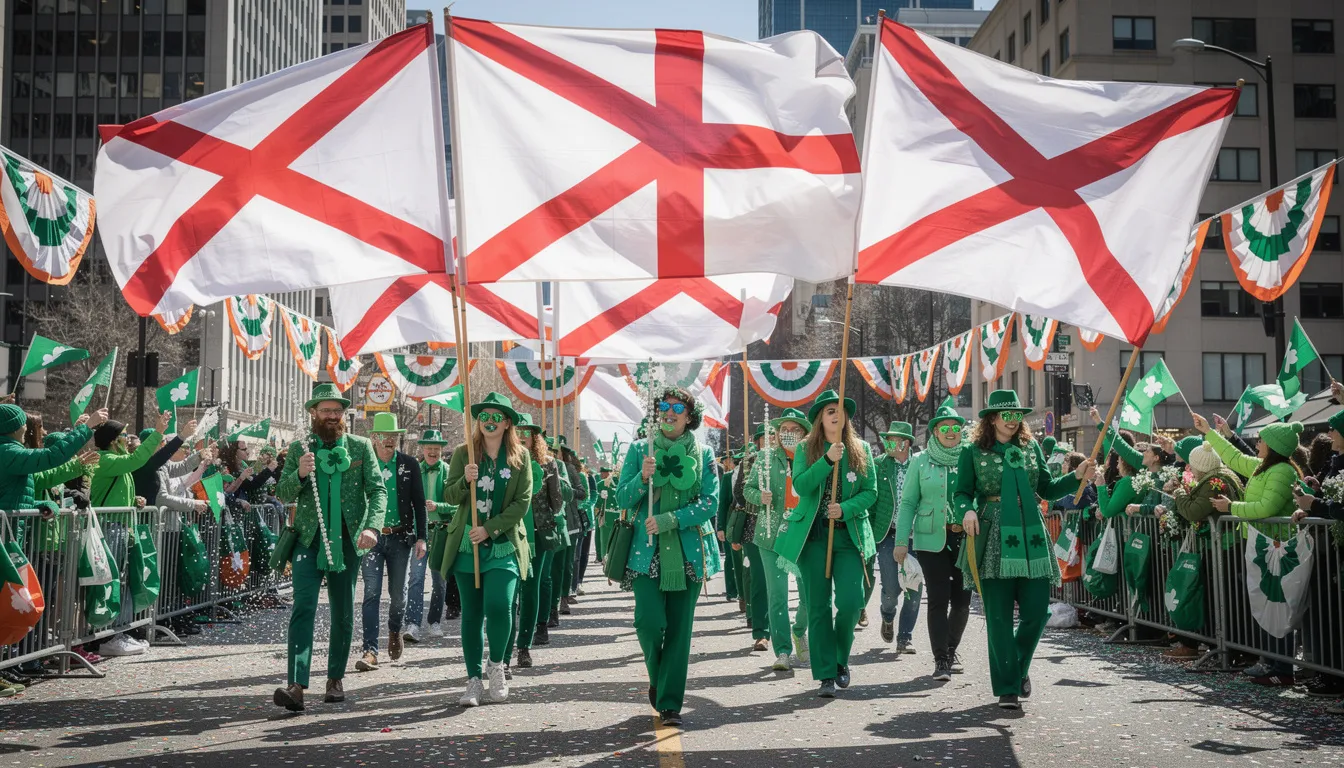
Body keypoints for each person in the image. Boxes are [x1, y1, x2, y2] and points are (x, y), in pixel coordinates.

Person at [956, 390, 1093, 709]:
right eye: (1007, 415)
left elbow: (1046, 488)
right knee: (999, 618)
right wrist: (967, 510)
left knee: (1037, 612)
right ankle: (1008, 687)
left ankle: (1016, 668)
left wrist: (1076, 477)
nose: (1013, 420)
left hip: (1031, 534)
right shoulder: (973, 451)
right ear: (992, 418)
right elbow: (961, 492)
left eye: (1017, 415)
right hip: (992, 535)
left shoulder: (1031, 448)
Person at [272, 383, 387, 712]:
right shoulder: (300, 448)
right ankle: (296, 685)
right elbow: (283, 494)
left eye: (337, 410)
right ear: (314, 413)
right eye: (326, 410)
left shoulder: (362, 447)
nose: (333, 416)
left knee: (343, 611)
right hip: (308, 539)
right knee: (303, 606)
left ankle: (335, 678)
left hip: (349, 542)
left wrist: (372, 527)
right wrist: (299, 473)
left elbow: (378, 491)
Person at [615, 386, 720, 727]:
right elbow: (621, 498)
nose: (669, 412)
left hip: (688, 553)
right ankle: (658, 678)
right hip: (646, 554)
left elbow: (710, 502)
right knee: (649, 623)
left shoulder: (704, 454)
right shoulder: (638, 450)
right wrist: (642, 477)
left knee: (679, 630)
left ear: (689, 416)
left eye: (677, 408)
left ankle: (670, 702)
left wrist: (669, 520)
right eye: (664, 407)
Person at [773, 390, 877, 699]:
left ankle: (840, 659)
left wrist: (846, 508)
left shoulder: (861, 449)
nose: (836, 414)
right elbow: (801, 485)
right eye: (829, 410)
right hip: (813, 537)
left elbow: (870, 492)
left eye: (841, 409)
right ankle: (825, 674)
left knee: (849, 602)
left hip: (849, 536)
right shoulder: (807, 448)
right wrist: (828, 460)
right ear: (820, 417)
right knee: (818, 607)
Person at [1195, 413, 1306, 687]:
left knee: (1277, 605)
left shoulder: (1282, 471)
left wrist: (1231, 508)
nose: (1257, 444)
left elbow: (1266, 508)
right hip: (1261, 546)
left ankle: (1281, 667)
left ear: (1274, 446)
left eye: (1262, 441)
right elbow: (1233, 458)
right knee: (1264, 603)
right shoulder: (1263, 466)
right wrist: (1209, 432)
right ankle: (1268, 660)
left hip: (1277, 549)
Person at [442, 392, 533, 707]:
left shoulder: (521, 457)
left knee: (499, 606)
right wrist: (463, 481)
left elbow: (522, 503)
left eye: (496, 416)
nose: (489, 420)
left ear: (507, 422)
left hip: (503, 545)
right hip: (468, 544)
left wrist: (490, 528)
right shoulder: (464, 453)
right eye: (484, 415)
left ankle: (497, 666)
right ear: (478, 422)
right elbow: (450, 496)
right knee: (472, 613)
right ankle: (472, 680)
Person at [894, 398, 970, 680]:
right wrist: (902, 540)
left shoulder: (970, 457)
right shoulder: (920, 461)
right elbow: (908, 502)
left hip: (966, 540)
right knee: (939, 599)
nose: (951, 431)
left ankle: (951, 650)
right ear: (935, 431)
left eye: (955, 427)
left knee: (962, 601)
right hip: (930, 540)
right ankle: (941, 660)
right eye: (944, 427)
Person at [89, 411, 171, 658]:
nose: (127, 438)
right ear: (114, 439)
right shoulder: (104, 459)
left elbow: (119, 485)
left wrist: (133, 500)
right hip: (109, 527)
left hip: (123, 527)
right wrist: (157, 433)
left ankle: (119, 632)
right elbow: (138, 460)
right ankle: (106, 635)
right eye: (124, 435)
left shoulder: (117, 460)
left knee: (123, 581)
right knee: (110, 582)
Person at [355, 413, 427, 671]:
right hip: (372, 538)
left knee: (398, 596)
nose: (389, 441)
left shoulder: (409, 464)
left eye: (394, 437)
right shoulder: (364, 463)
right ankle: (370, 650)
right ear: (374, 438)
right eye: (384, 436)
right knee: (371, 593)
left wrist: (422, 538)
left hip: (400, 537)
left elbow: (419, 503)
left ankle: (395, 630)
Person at [743, 407, 812, 671]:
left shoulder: (814, 457)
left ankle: (799, 630)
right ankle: (782, 651)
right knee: (778, 596)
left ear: (805, 433)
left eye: (795, 429)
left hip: (804, 535)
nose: (789, 434)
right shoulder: (765, 457)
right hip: (771, 534)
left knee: (809, 595)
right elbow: (747, 489)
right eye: (784, 430)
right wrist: (759, 497)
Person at [506, 414, 565, 669]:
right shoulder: (505, 461)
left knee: (531, 588)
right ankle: (503, 652)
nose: (521, 436)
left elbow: (558, 501)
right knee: (509, 592)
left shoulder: (549, 463)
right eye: (517, 431)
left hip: (539, 534)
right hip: (509, 531)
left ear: (534, 437)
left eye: (526, 432)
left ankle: (524, 646)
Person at [868, 418, 919, 650]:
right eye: (887, 439)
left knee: (913, 587)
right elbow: (871, 500)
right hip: (887, 533)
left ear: (906, 443)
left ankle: (905, 637)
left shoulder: (919, 465)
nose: (889, 443)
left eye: (894, 440)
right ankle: (887, 615)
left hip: (917, 536)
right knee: (891, 588)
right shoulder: (878, 464)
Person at [406, 428, 455, 640]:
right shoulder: (414, 469)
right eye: (429, 448)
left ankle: (435, 621)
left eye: (436, 449)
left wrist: (438, 506)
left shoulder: (450, 471)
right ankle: (412, 624)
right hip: (419, 534)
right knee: (416, 578)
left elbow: (457, 506)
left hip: (441, 532)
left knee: (439, 580)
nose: (432, 452)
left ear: (442, 450)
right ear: (423, 449)